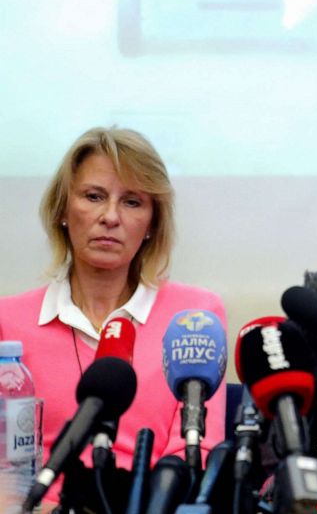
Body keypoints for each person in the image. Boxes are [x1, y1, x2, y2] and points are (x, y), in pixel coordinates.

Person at [0, 127, 227, 501]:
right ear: (62, 210)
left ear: (153, 223)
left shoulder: (194, 316)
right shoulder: (8, 322)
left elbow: (196, 454)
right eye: (93, 196)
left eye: (132, 202)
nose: (110, 217)